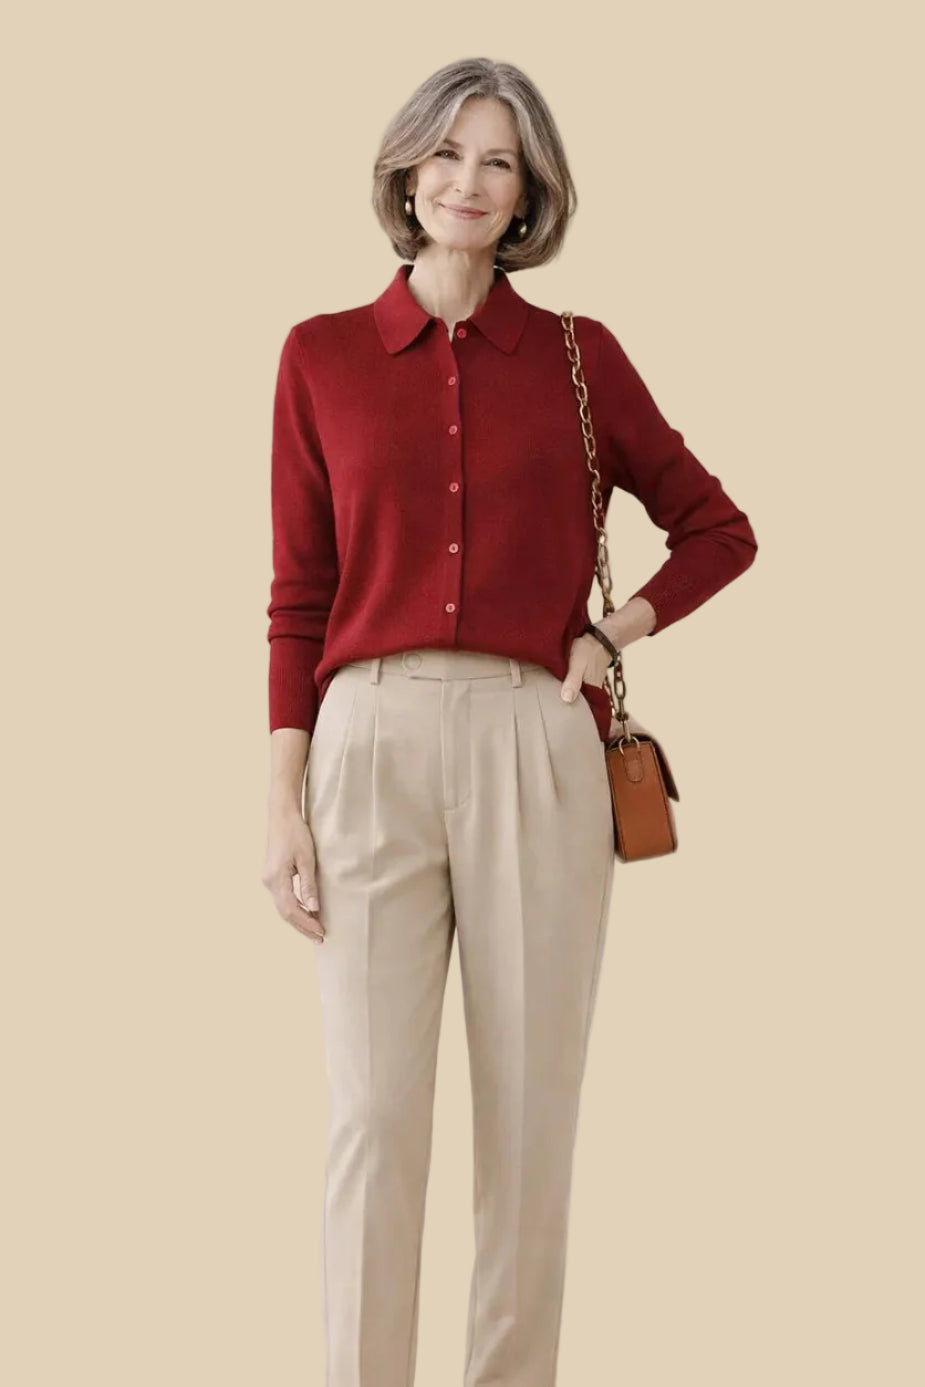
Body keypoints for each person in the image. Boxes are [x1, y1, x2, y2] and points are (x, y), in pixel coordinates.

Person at [261, 57, 757, 1387]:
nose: (467, 182)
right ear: (404, 171)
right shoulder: (319, 356)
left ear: (530, 192)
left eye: (498, 161)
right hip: (365, 743)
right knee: (374, 1119)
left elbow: (718, 529)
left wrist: (609, 635)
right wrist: (281, 804)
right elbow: (298, 597)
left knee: (529, 1126)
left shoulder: (580, 358)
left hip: (535, 743)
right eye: (445, 154)